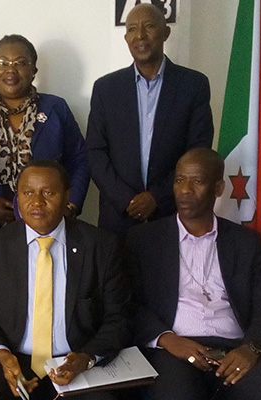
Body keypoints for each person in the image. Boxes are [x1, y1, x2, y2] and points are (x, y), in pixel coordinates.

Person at [124, 148, 261, 400]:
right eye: (179, 180)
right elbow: (130, 304)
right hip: (175, 351)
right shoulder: (144, 240)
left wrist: (251, 349)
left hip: (235, 350)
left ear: (218, 188)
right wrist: (167, 339)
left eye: (197, 181)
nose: (185, 190)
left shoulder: (245, 242)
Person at [0, 159, 129, 400]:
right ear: (17, 196)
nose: (37, 202)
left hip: (78, 359)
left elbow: (118, 318)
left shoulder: (101, 246)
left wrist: (86, 358)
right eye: (28, 192)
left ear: (67, 196)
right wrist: (2, 355)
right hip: (13, 358)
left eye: (48, 193)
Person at [85, 3, 214, 238]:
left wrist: (156, 197)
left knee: (167, 275)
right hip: (118, 217)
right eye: (132, 29)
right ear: (126, 38)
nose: (140, 35)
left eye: (149, 26)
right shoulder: (106, 88)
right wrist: (127, 200)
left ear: (165, 33)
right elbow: (95, 153)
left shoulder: (193, 86)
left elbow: (198, 150)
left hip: (172, 212)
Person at [0, 34, 89, 234]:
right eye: (2, 62)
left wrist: (70, 206)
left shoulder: (56, 108)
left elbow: (79, 160)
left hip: (47, 224)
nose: (10, 70)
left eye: (20, 63)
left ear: (34, 71)